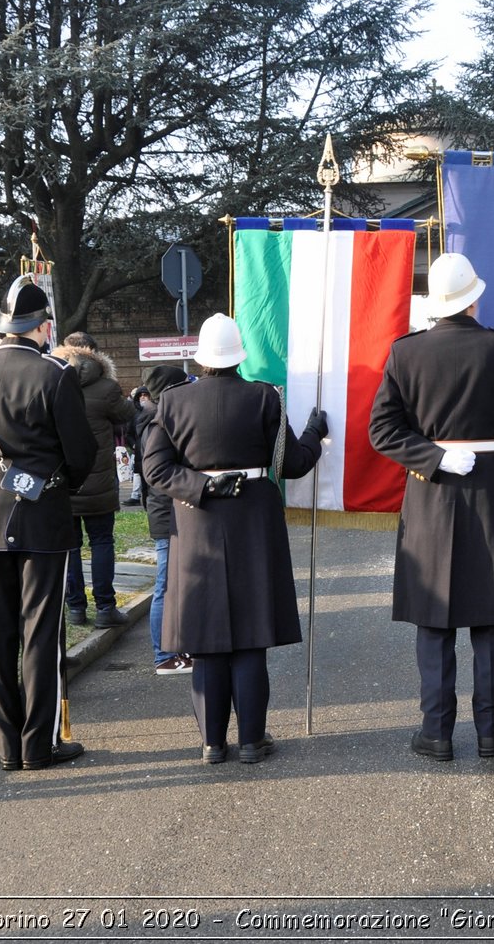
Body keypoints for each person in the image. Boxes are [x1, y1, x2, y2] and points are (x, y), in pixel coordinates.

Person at [370, 253, 494, 762]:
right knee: (492, 619)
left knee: (435, 620)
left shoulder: (404, 354)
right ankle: (492, 730)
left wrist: (432, 456)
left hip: (430, 493)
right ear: (475, 297)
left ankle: (437, 731)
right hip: (492, 492)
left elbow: (382, 431)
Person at [142, 314, 326, 764]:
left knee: (205, 643)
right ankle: (251, 741)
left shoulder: (171, 402)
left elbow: (156, 471)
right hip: (253, 523)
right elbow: (293, 463)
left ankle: (211, 743)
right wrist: (315, 433)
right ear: (239, 354)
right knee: (249, 639)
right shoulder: (264, 397)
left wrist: (202, 488)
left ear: (201, 357)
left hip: (196, 522)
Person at [0, 281, 96, 771]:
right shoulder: (56, 374)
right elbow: (81, 455)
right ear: (44, 326)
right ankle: (38, 745)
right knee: (41, 633)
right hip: (43, 516)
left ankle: (6, 746)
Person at [54, 331, 136, 629]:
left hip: (63, 480)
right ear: (93, 351)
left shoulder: (51, 381)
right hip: (99, 480)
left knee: (71, 545)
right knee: (102, 541)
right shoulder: (106, 387)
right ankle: (105, 607)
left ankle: (75, 607)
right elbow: (127, 415)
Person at [132, 365, 191, 675]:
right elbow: (160, 475)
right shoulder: (156, 421)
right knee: (166, 586)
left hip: (164, 510)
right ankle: (164, 655)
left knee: (173, 584)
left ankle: (175, 650)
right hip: (166, 511)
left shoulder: (153, 417)